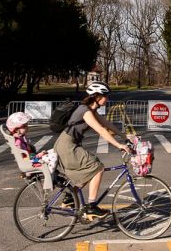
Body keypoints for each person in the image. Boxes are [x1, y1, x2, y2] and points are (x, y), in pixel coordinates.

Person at [54, 81, 130, 219]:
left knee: (89, 171)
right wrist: (119, 145)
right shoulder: (85, 111)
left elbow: (106, 124)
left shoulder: (91, 110)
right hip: (67, 146)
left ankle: (70, 197)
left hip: (68, 144)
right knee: (97, 167)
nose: (107, 99)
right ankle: (91, 207)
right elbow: (101, 130)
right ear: (96, 96)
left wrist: (124, 136)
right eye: (105, 96)